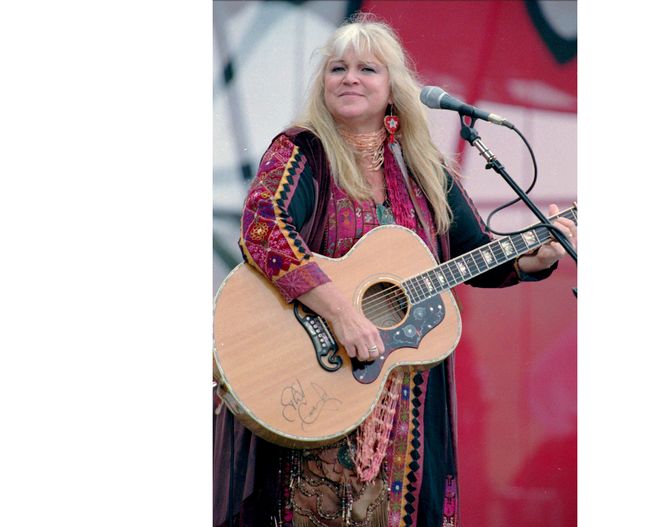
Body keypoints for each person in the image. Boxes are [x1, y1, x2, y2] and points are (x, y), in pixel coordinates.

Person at [213, 14, 576, 527]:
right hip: (318, 386)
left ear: (392, 89)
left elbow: (474, 255)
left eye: (367, 69)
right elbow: (263, 227)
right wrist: (341, 313)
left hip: (406, 406)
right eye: (338, 68)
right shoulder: (302, 151)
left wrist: (532, 258)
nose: (350, 78)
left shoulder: (422, 167)